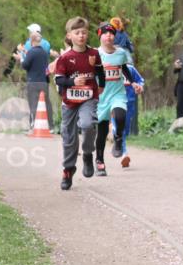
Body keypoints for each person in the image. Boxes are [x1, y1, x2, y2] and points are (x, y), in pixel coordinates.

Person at [53, 16, 105, 190]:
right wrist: (73, 82)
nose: (81, 36)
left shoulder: (94, 54)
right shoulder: (65, 58)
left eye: (84, 32)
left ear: (87, 34)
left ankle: (88, 154)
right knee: (69, 137)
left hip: (88, 98)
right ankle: (68, 170)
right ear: (69, 36)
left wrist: (102, 86)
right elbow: (59, 80)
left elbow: (100, 71)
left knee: (88, 124)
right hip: (69, 102)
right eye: (77, 33)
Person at [94, 21, 134, 177]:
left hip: (118, 93)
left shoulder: (121, 53)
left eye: (111, 33)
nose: (109, 36)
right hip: (101, 96)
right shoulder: (95, 54)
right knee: (102, 131)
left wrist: (133, 82)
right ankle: (99, 162)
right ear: (100, 36)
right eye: (105, 33)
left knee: (120, 115)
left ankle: (118, 139)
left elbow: (124, 68)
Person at [14, 36, 53, 132]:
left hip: (33, 82)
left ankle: (33, 126)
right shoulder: (44, 53)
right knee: (46, 104)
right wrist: (24, 51)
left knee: (33, 104)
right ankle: (50, 126)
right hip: (44, 81)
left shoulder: (32, 52)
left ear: (31, 41)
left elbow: (25, 65)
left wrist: (21, 58)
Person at [120, 63, 145, 168]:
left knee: (125, 129)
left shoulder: (130, 69)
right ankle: (124, 153)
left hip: (129, 102)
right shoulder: (108, 67)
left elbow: (140, 80)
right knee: (119, 127)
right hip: (115, 102)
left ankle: (117, 142)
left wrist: (140, 87)